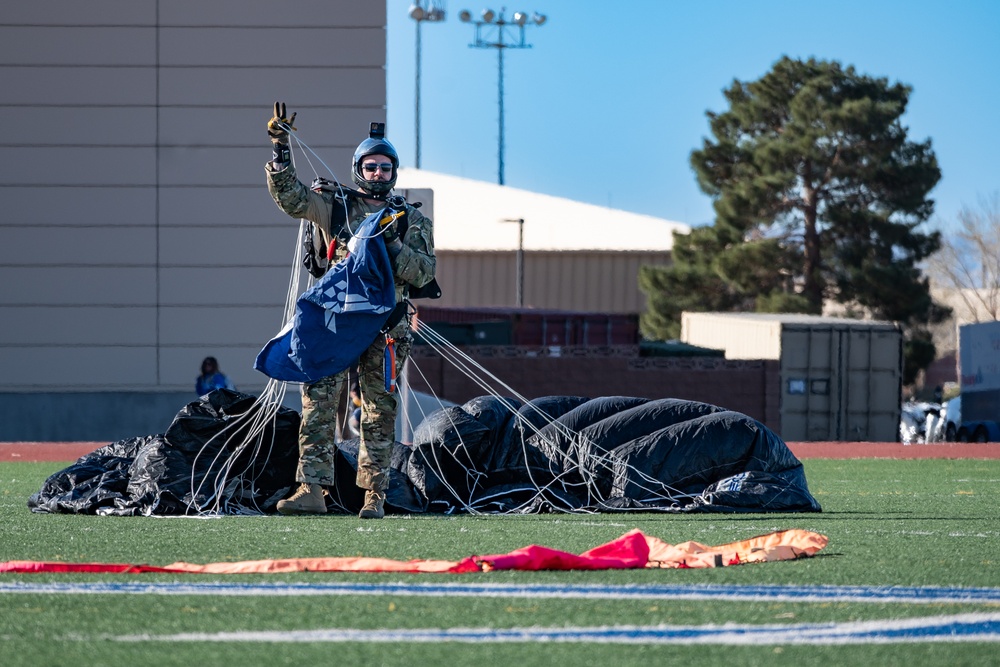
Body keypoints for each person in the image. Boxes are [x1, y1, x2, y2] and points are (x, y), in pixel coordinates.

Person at [264, 102, 436, 519]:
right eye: (371, 167)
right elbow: (292, 199)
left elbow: (422, 272)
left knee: (379, 409)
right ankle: (312, 489)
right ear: (359, 168)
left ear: (394, 173)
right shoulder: (335, 205)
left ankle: (374, 495)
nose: (378, 175)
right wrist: (282, 149)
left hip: (386, 326)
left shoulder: (410, 218)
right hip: (336, 324)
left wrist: (391, 244)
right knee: (318, 400)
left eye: (385, 168)